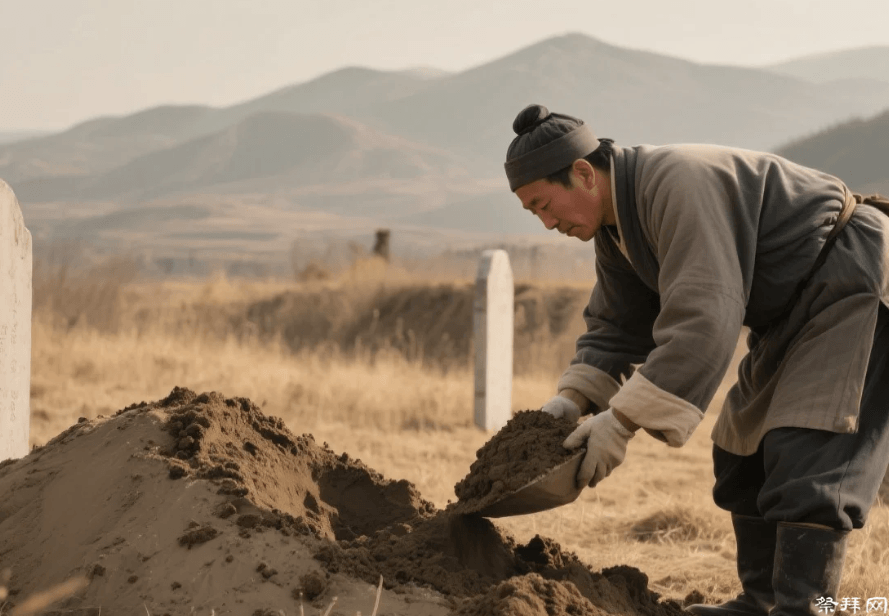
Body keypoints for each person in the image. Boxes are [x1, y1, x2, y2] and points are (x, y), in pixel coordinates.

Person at [503, 104, 889, 616]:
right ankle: (759, 602)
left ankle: (807, 608)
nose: (548, 223)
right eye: (534, 214)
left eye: (545, 205)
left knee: (807, 449)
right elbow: (618, 325)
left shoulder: (676, 185)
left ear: (583, 174)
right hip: (791, 313)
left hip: (852, 280)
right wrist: (569, 402)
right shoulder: (615, 228)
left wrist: (619, 423)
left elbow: (704, 317)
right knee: (740, 450)